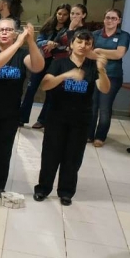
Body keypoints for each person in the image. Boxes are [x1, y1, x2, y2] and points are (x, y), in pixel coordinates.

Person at [34, 31, 110, 205]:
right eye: (79, 42)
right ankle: (43, 188)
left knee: (73, 156)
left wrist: (102, 70)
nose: (83, 46)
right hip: (57, 116)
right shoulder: (59, 63)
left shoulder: (92, 66)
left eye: (87, 43)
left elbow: (105, 89)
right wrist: (65, 75)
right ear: (71, 44)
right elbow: (45, 85)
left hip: (81, 118)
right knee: (51, 154)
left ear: (91, 46)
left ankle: (66, 192)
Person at [0, 19, 44, 196]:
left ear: (15, 33)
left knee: (4, 150)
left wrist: (31, 42)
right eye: (1, 30)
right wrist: (18, 42)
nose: (4, 33)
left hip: (10, 111)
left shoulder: (22, 54)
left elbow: (38, 66)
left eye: (9, 30)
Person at [19, 4, 71, 128]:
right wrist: (48, 42)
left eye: (65, 14)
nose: (61, 17)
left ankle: (42, 120)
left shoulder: (69, 30)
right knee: (31, 89)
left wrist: (55, 45)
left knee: (50, 92)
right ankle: (21, 118)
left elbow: (69, 47)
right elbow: (39, 41)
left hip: (56, 62)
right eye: (59, 14)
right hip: (42, 59)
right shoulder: (49, 26)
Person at [89, 9, 130, 147]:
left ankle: (100, 136)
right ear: (104, 19)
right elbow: (88, 52)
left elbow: (118, 54)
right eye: (107, 17)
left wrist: (99, 51)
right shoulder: (95, 34)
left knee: (105, 107)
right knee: (92, 105)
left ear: (119, 20)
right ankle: (89, 134)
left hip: (112, 75)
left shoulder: (123, 35)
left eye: (113, 18)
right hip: (94, 74)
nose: (110, 20)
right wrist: (104, 54)